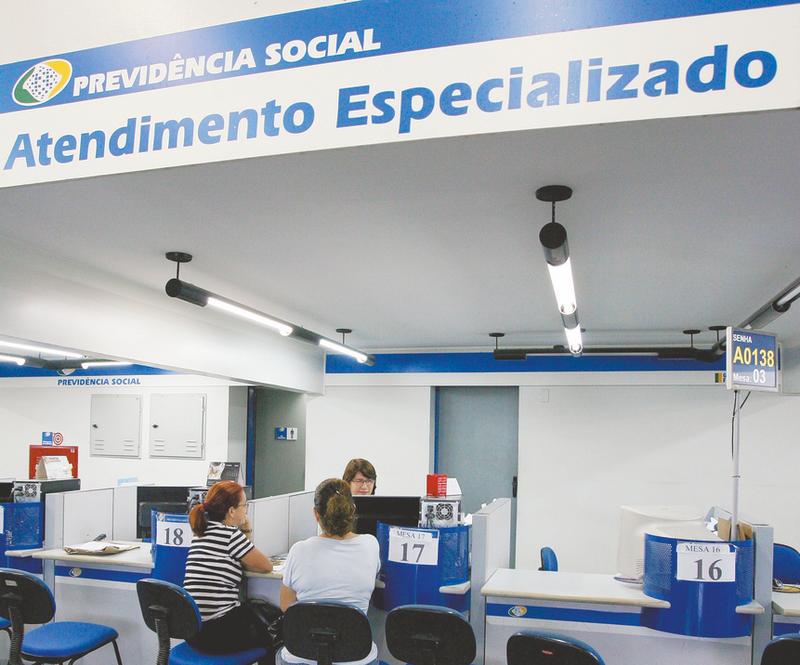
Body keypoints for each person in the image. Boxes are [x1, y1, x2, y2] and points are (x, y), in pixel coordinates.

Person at [279, 478, 381, 665]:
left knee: (280, 654)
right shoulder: (371, 545)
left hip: (302, 656)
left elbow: (286, 606)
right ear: (353, 510)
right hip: (354, 658)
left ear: (316, 514)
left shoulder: (299, 550)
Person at [184, 480, 275, 656]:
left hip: (193, 631)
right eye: (244, 505)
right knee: (275, 628)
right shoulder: (230, 535)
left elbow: (244, 557)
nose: (246, 510)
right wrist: (246, 528)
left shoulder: (200, 533)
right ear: (231, 511)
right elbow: (265, 566)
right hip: (218, 632)